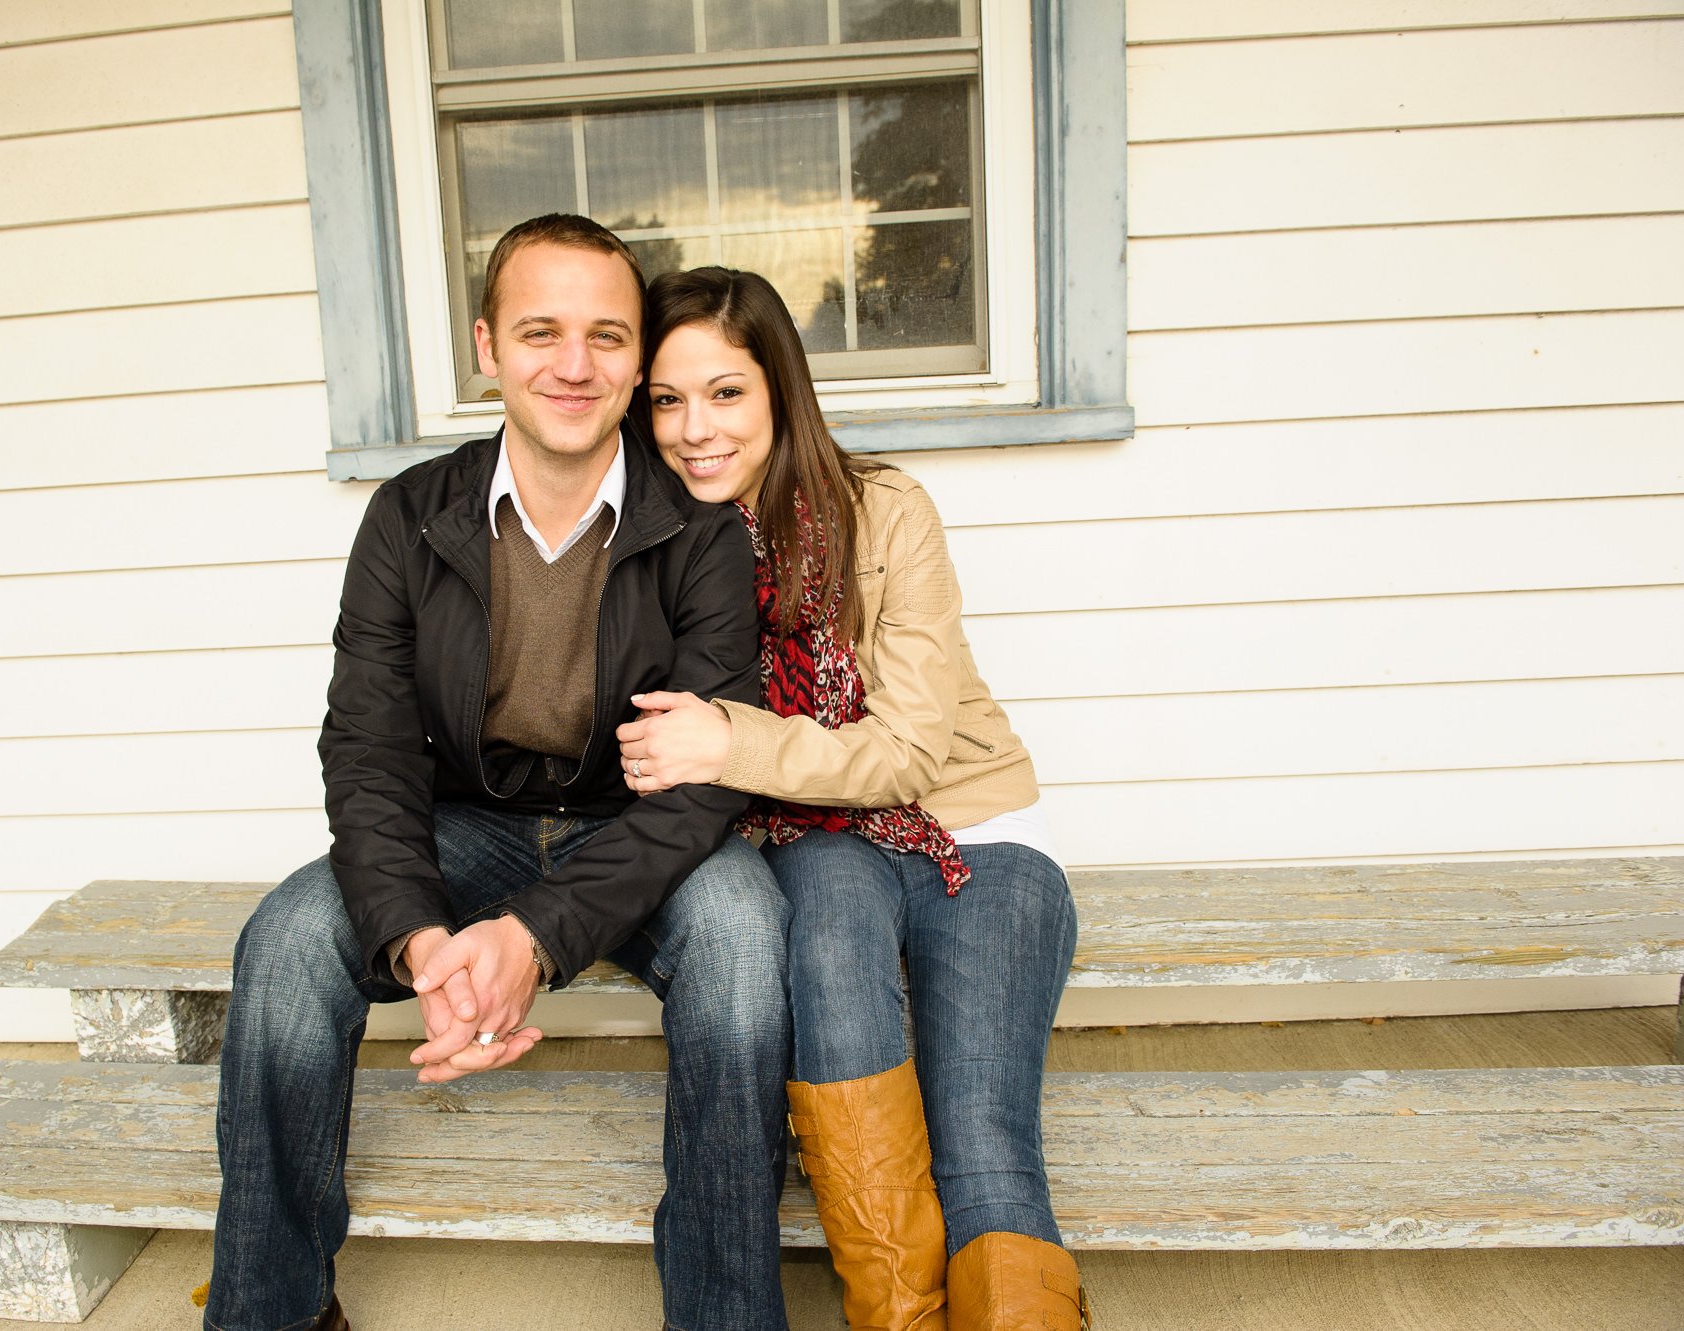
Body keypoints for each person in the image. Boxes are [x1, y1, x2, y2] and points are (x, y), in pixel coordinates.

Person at [204, 220, 793, 1331]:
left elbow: (709, 778)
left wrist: (532, 934)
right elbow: (367, 747)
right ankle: (270, 1310)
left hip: (641, 833)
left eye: (605, 336)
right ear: (487, 345)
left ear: (634, 356)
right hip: (463, 823)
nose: (574, 365)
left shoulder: (702, 534)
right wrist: (422, 938)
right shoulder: (406, 517)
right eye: (540, 331)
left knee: (743, 941)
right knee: (284, 939)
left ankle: (723, 1315)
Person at [617, 268, 1086, 1331]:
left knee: (980, 1142)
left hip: (974, 828)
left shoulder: (882, 506)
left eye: (725, 392)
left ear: (779, 389)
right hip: (815, 840)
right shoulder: (642, 549)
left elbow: (909, 751)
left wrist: (726, 738)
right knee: (831, 980)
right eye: (665, 398)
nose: (694, 428)